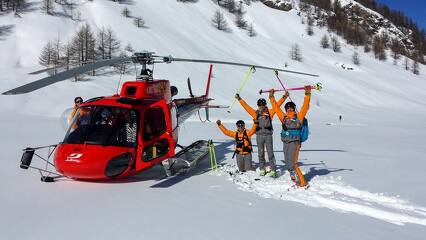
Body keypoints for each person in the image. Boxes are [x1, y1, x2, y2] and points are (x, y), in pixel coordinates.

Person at [235, 93, 287, 177]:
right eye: (259, 105)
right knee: (261, 153)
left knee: (270, 153)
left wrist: (284, 97)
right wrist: (239, 99)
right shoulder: (255, 113)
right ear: (258, 105)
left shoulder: (270, 112)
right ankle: (262, 168)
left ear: (265, 105)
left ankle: (273, 169)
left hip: (268, 136)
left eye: (263, 104)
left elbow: (277, 105)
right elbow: (246, 107)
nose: (261, 106)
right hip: (259, 136)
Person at [270, 86, 311, 187]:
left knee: (294, 163)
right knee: (288, 162)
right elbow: (275, 107)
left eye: (290, 107)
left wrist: (307, 94)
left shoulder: (299, 117)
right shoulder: (283, 118)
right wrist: (271, 97)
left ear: (293, 108)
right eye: (287, 107)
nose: (289, 109)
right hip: (286, 142)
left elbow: (305, 107)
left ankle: (303, 182)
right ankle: (293, 175)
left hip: (295, 142)